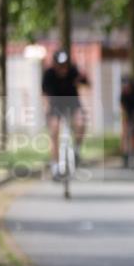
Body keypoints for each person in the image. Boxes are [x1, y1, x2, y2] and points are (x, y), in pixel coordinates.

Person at [41, 49, 89, 177]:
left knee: (81, 122)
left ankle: (76, 150)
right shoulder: (49, 74)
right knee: (54, 130)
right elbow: (44, 95)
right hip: (55, 105)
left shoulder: (73, 71)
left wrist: (82, 78)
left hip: (73, 104)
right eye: (60, 65)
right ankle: (56, 166)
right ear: (55, 64)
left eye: (65, 65)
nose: (63, 69)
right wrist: (47, 110)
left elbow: (86, 83)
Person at [119, 74, 134, 168]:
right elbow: (122, 108)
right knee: (124, 135)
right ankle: (125, 158)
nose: (126, 87)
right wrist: (124, 121)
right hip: (126, 114)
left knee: (133, 136)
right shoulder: (123, 94)